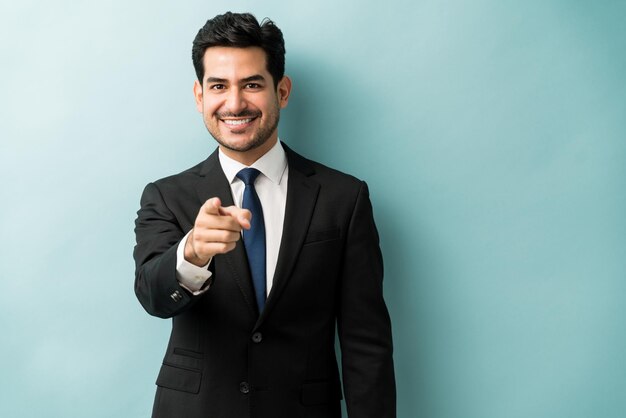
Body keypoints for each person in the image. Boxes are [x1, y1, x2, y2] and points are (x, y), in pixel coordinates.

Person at [133, 11, 396, 418]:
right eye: (218, 85)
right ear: (200, 95)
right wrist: (192, 254)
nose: (234, 103)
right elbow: (153, 296)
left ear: (282, 91)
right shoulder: (166, 196)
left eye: (252, 84)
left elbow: (366, 342)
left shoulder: (345, 197)